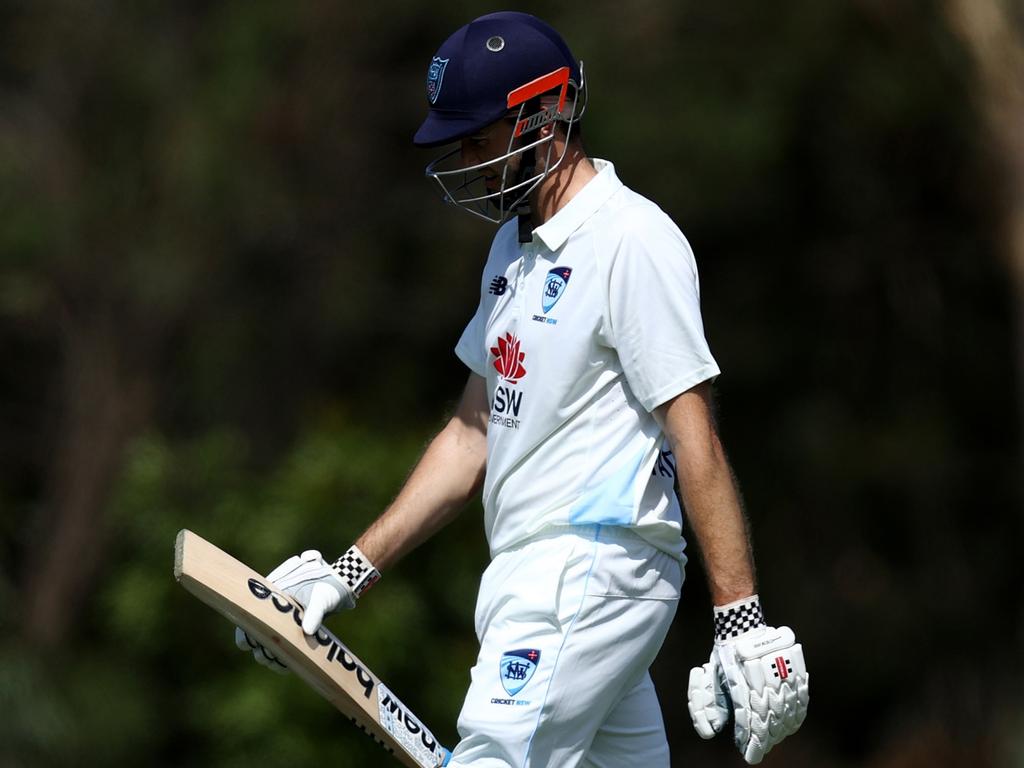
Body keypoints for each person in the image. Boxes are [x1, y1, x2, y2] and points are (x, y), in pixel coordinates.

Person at [236, 11, 809, 767]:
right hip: (531, 571)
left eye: (477, 138)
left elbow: (692, 431)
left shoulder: (630, 240)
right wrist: (350, 571)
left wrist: (740, 615)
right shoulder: (513, 248)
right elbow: (473, 431)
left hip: (592, 567)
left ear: (545, 115)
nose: (466, 160)